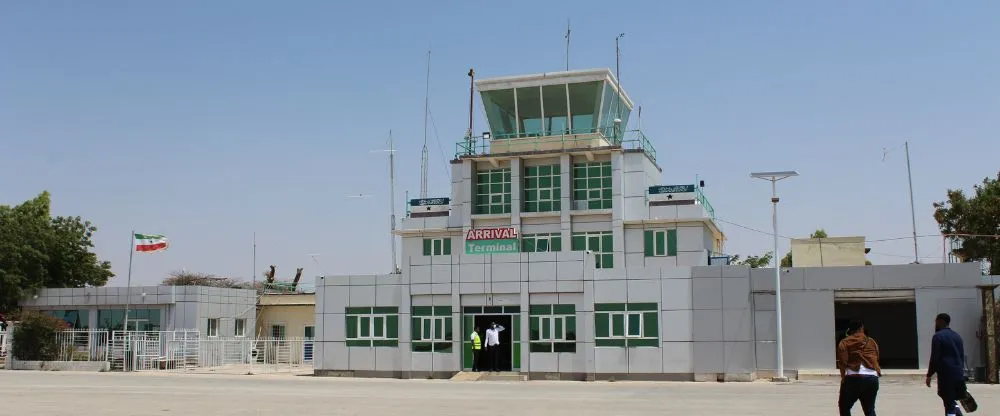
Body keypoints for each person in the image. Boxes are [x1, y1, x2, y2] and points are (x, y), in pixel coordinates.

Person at [837, 318, 882, 416]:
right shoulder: (872, 341)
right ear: (862, 328)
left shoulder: (844, 342)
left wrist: (843, 378)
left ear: (849, 330)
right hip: (872, 378)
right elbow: (876, 358)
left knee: (844, 407)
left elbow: (842, 362)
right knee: (869, 409)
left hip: (853, 378)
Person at [926, 313, 968, 416]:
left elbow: (935, 358)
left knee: (948, 403)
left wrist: (929, 375)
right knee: (951, 400)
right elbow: (962, 356)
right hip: (958, 374)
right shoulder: (957, 336)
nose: (935, 323)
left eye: (936, 321)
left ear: (941, 321)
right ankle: (957, 412)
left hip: (946, 375)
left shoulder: (938, 336)